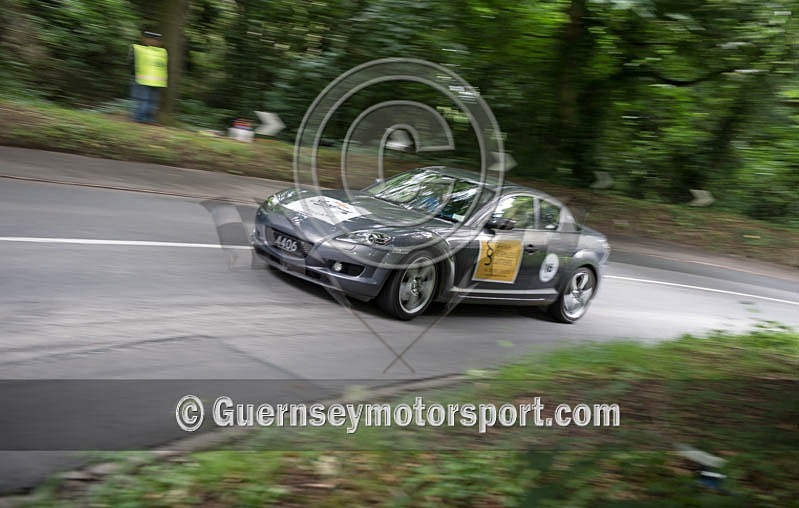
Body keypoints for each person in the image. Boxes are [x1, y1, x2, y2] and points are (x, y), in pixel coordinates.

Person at [129, 31, 168, 124]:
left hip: (156, 81)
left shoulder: (162, 52)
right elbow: (132, 63)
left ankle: (148, 119)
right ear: (145, 39)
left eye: (157, 40)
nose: (155, 42)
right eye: (153, 39)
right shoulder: (139, 49)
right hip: (143, 80)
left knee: (151, 101)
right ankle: (140, 118)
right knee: (145, 100)